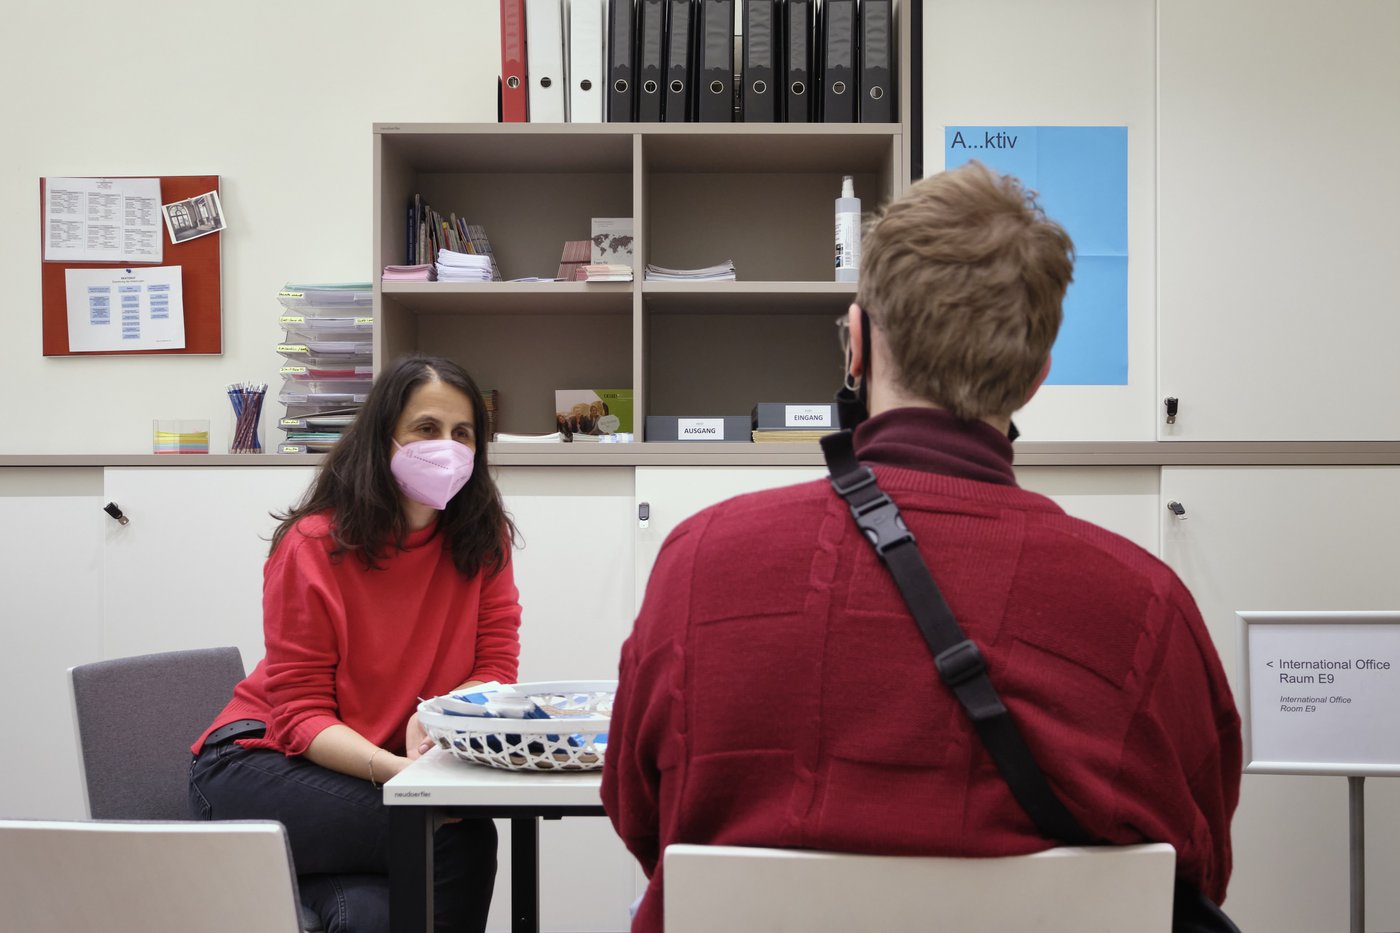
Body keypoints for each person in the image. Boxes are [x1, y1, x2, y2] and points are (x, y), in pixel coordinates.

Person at [601, 161, 1242, 932]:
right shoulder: (1147, 607)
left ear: (857, 345)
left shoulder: (700, 562)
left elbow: (642, 820)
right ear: (1037, 376)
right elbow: (1197, 867)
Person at [189, 354, 522, 933]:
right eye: (426, 429)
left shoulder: (481, 539)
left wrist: (437, 715)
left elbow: (495, 667)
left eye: (462, 433)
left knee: (365, 914)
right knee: (452, 837)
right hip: (257, 763)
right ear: (381, 438)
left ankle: (313, 871)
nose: (447, 446)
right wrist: (402, 774)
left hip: (358, 777)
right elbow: (298, 713)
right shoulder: (314, 545)